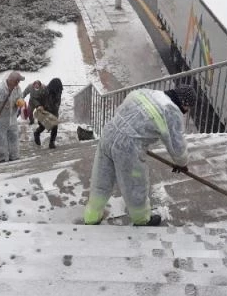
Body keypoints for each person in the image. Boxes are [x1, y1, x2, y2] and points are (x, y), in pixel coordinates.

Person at [84, 85, 196, 227]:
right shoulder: (172, 112)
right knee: (135, 185)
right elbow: (177, 145)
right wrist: (182, 163)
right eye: (188, 108)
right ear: (184, 103)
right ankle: (142, 220)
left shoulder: (146, 93)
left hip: (108, 134)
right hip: (128, 149)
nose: (187, 112)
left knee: (101, 180)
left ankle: (92, 216)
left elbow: (124, 111)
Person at [0, 71, 25, 162]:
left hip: (12, 119)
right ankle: (2, 159)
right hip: (0, 120)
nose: (18, 83)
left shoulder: (17, 89)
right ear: (11, 80)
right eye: (17, 81)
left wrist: (20, 101)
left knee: (14, 138)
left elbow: (20, 97)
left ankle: (14, 157)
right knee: (1, 140)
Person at [33, 77, 63, 149]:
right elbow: (35, 99)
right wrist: (39, 105)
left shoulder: (58, 92)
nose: (59, 88)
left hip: (54, 113)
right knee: (43, 127)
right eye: (57, 87)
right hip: (44, 112)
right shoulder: (44, 91)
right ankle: (36, 133)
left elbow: (57, 103)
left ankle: (51, 143)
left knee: (55, 127)